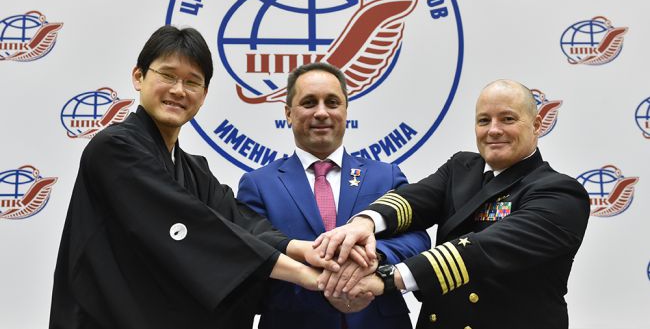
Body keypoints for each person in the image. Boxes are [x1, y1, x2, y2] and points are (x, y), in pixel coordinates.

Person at [49, 26, 340, 329]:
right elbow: (198, 228)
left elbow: (240, 221)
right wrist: (305, 276)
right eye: (167, 75)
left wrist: (303, 249)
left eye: (192, 82)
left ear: (203, 95)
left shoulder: (193, 169)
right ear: (138, 77)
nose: (179, 90)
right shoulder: (114, 149)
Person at [314, 79, 590, 329]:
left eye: (507, 119)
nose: (494, 130)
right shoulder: (462, 167)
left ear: (537, 125)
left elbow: (484, 249)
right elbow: (413, 200)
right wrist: (364, 224)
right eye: (484, 120)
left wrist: (389, 277)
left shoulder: (560, 193)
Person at [237, 62, 430, 329]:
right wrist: (323, 279)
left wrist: (373, 258)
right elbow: (252, 252)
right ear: (288, 113)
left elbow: (417, 238)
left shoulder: (386, 175)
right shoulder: (258, 184)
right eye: (309, 103)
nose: (321, 112)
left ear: (345, 111)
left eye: (332, 102)